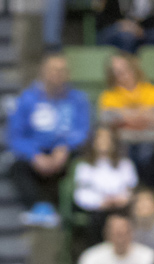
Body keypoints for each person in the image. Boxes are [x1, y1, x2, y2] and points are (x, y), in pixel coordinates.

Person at [7, 52, 91, 228]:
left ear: (68, 74)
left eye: (62, 70)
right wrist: (34, 155)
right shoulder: (27, 100)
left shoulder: (78, 100)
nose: (57, 74)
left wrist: (65, 146)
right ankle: (37, 209)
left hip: (66, 153)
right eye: (53, 70)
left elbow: (83, 130)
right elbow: (15, 135)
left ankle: (70, 212)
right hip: (37, 152)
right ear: (43, 72)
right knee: (17, 165)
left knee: (82, 163)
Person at [96, 52, 154, 155]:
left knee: (147, 152)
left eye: (124, 68)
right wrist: (142, 115)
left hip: (150, 141)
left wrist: (123, 116)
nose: (119, 73)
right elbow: (106, 120)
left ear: (134, 68)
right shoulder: (108, 96)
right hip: (121, 143)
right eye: (115, 71)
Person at [73, 125, 140, 229]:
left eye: (107, 138)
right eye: (100, 138)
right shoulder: (84, 166)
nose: (104, 142)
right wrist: (100, 202)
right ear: (93, 141)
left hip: (120, 209)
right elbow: (81, 194)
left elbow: (131, 190)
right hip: (95, 211)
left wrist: (120, 199)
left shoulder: (125, 164)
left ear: (114, 142)